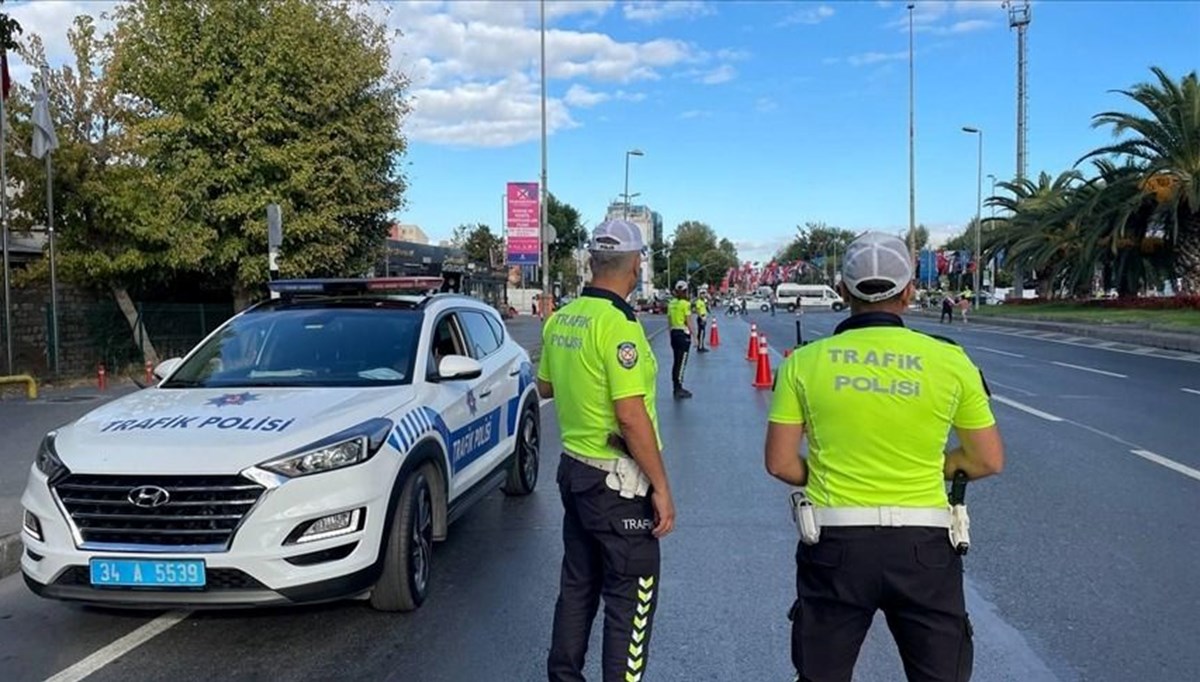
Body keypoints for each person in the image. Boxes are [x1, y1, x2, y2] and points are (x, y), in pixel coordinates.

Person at [765, 231, 1004, 682]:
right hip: (924, 550)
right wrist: (932, 466)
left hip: (835, 547)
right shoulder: (951, 360)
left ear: (842, 291)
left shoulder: (804, 361)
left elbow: (779, 463)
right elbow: (987, 460)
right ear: (910, 291)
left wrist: (838, 471)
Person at [540, 219, 677, 682]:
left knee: (578, 587)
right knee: (630, 600)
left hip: (575, 471)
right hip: (617, 485)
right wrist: (660, 486)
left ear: (592, 262)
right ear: (635, 265)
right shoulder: (619, 327)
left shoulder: (562, 319)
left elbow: (545, 385)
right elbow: (631, 416)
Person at [667, 280, 695, 398]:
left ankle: (676, 386)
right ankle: (678, 388)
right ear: (684, 291)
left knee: (676, 362)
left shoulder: (671, 304)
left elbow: (669, 320)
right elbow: (688, 321)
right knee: (682, 361)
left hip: (674, 333)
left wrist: (670, 334)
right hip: (683, 334)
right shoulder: (685, 304)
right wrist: (695, 336)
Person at [694, 287, 710, 353]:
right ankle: (700, 347)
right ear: (699, 295)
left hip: (704, 317)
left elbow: (707, 307)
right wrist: (701, 318)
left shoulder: (703, 301)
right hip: (701, 318)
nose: (703, 295)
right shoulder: (698, 302)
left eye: (704, 294)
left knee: (703, 333)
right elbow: (697, 311)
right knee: (701, 333)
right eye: (702, 294)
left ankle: (701, 346)